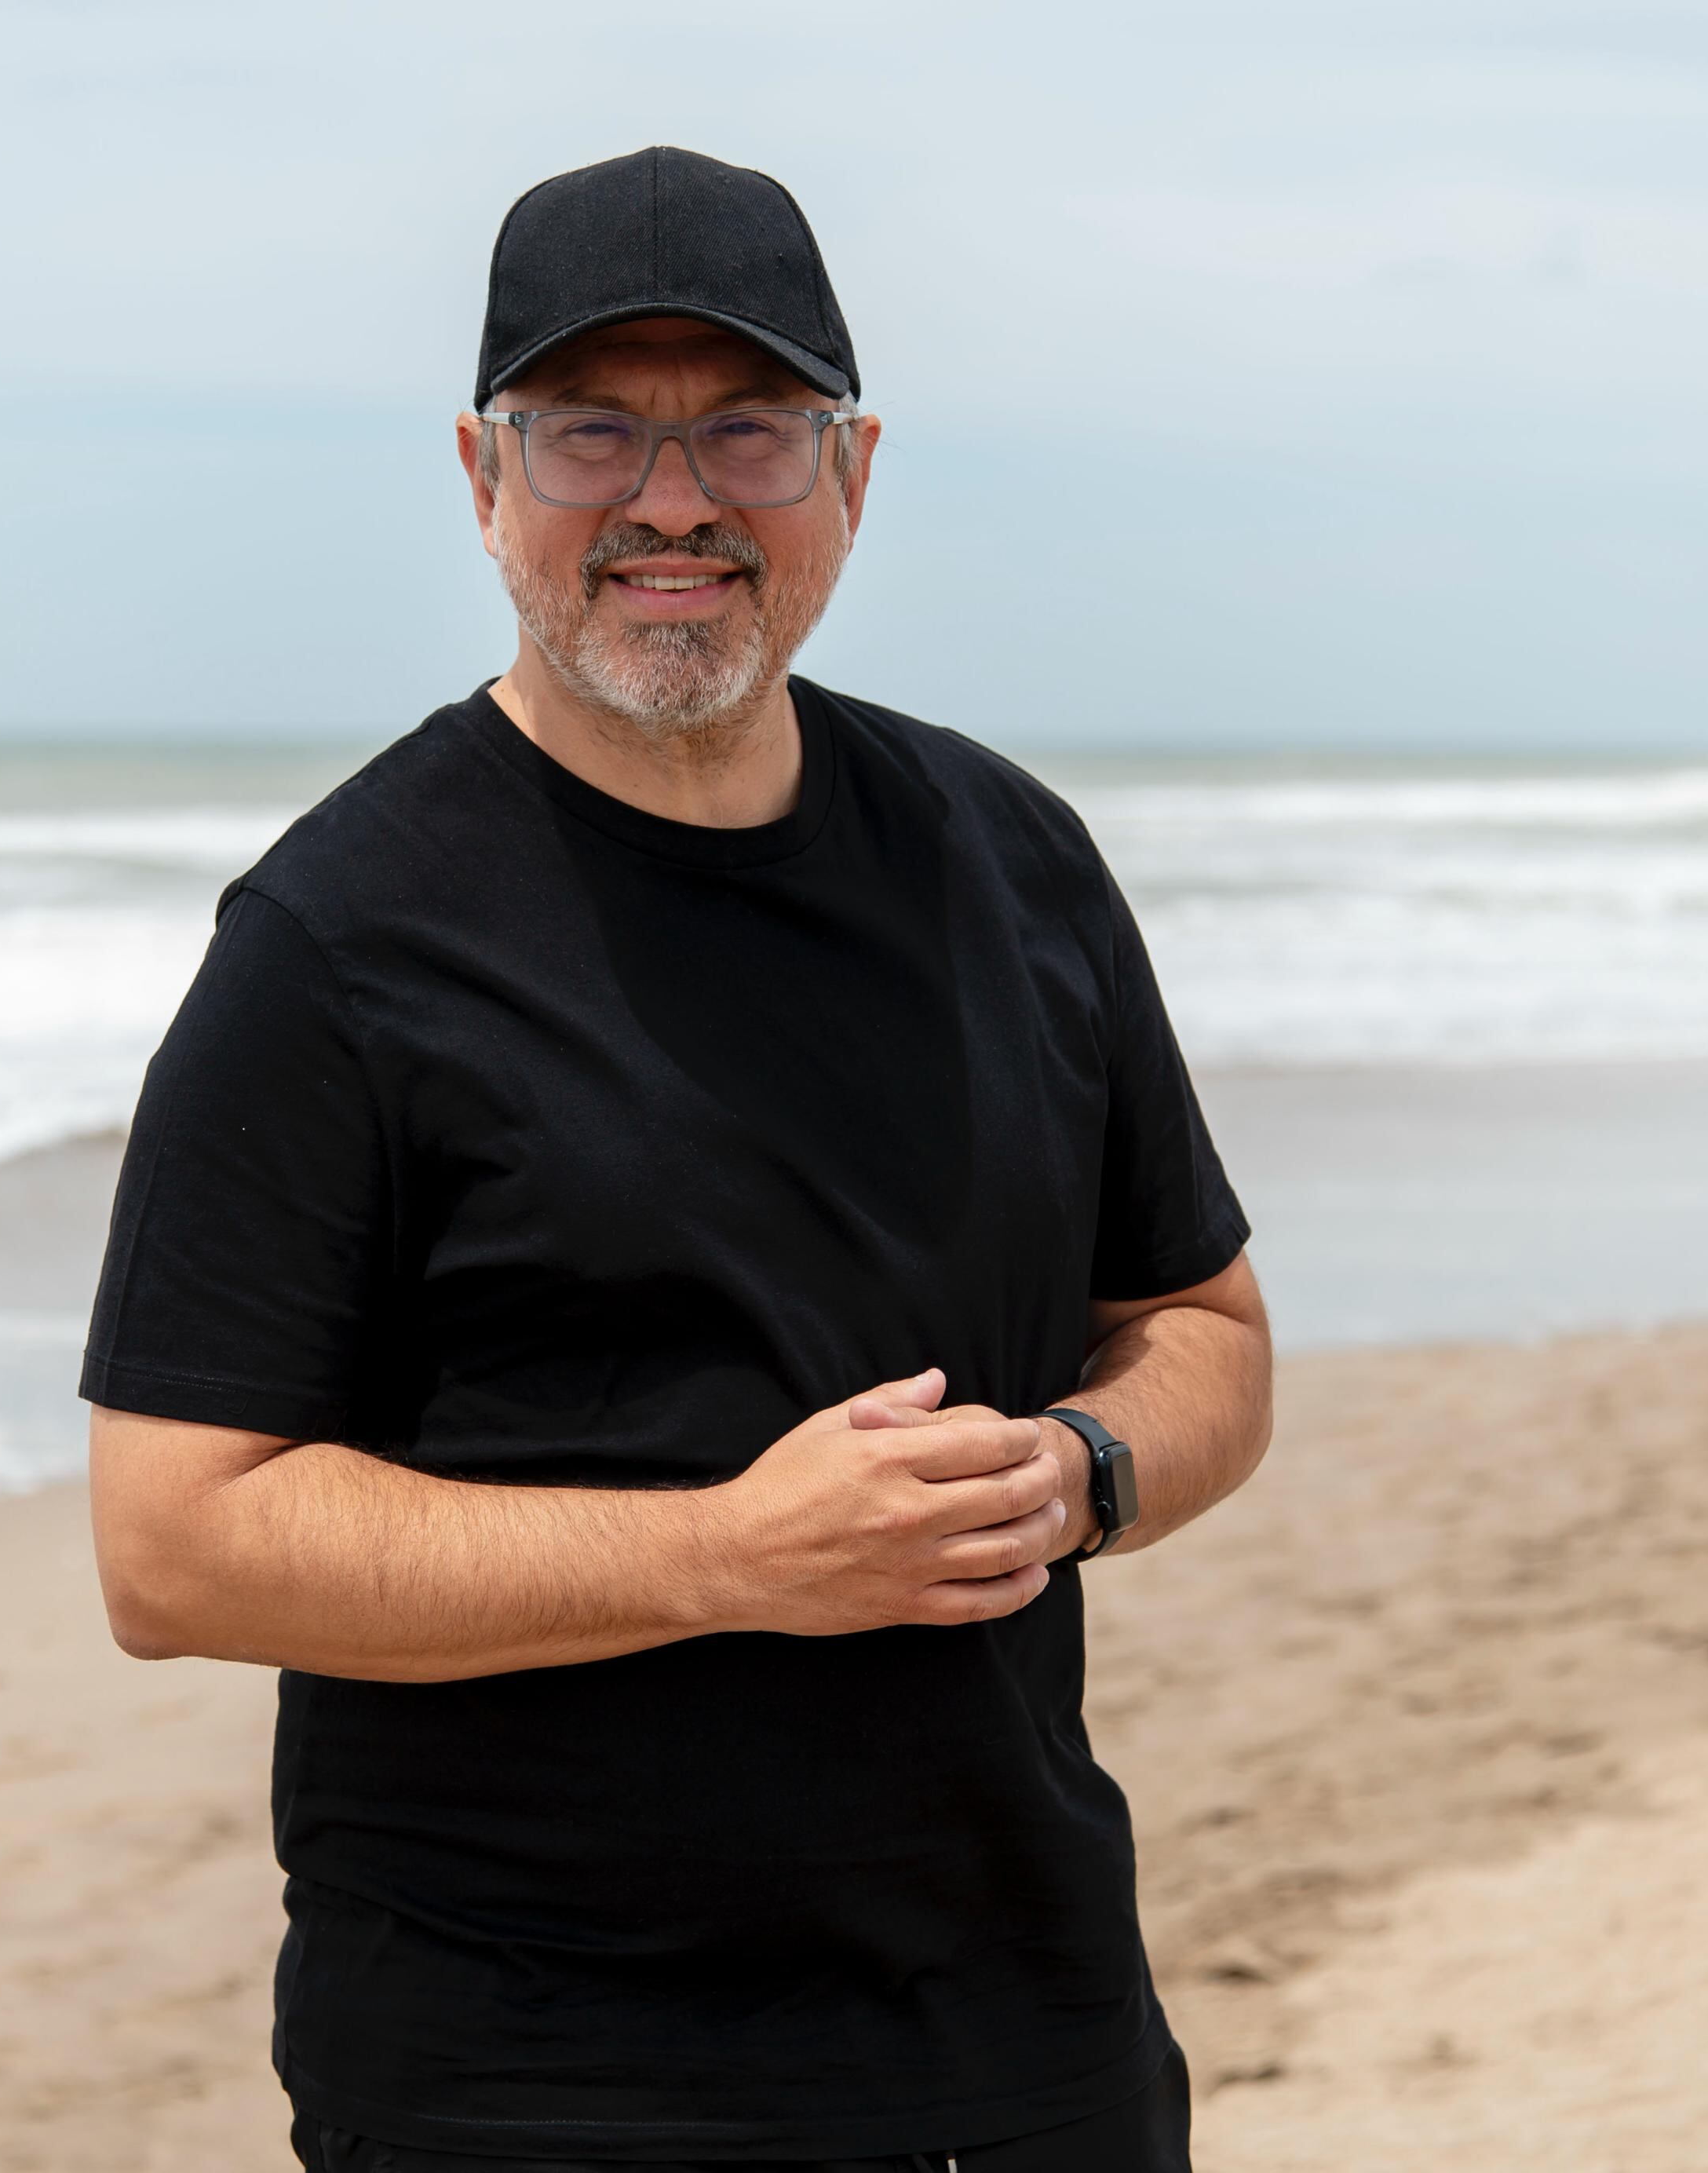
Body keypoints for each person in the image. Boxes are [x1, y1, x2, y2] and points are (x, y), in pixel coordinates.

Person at [82, 145, 1272, 2173]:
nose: (671, 503)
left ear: (854, 471)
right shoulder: (339, 944)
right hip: (537, 2068)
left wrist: (1081, 1476)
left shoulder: (1012, 859)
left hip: (1025, 2017)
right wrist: (726, 1560)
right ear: (481, 477)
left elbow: (1199, 1327)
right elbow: (173, 1543)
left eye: (747, 432)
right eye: (590, 437)